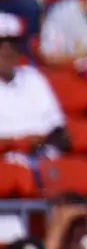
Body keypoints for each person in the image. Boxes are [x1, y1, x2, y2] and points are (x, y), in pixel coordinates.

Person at [0, 13, 63, 153]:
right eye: (0, 44)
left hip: (43, 154)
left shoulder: (33, 77)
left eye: (13, 43)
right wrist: (21, 142)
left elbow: (57, 127)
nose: (7, 50)